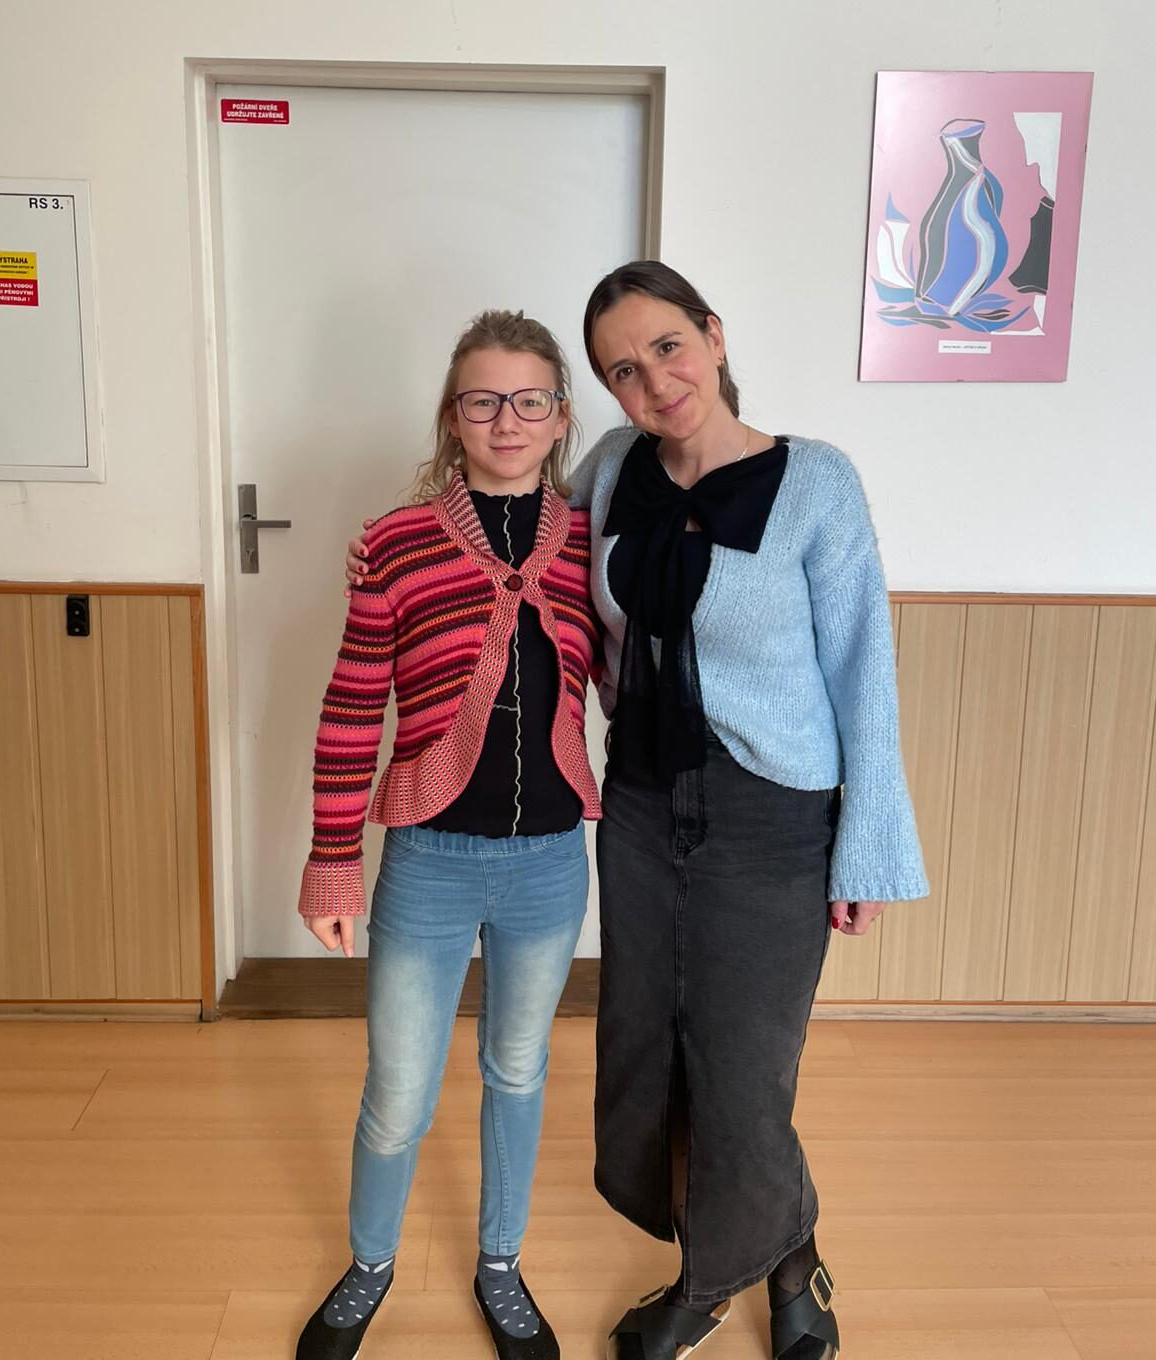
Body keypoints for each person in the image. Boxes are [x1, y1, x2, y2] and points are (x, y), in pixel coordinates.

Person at [347, 262, 928, 1360]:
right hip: (643, 810)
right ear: (603, 394)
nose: (655, 381)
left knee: (745, 1065)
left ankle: (716, 1284)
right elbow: (517, 535)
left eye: (667, 347)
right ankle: (776, 1251)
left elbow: (865, 672)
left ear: (713, 335)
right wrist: (398, 540)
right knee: (657, 1052)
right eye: (623, 368)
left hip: (772, 812)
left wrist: (870, 846)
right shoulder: (614, 471)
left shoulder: (816, 482)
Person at [299, 309, 601, 1360]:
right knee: (398, 1090)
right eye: (483, 400)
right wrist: (333, 860)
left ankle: (501, 1264)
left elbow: (630, 673)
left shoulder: (590, 545)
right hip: (429, 861)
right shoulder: (395, 542)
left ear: (559, 417)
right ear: (453, 416)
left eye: (529, 399)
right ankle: (369, 1264)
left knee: (518, 1071)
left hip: (550, 861)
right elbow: (352, 706)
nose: (506, 420)